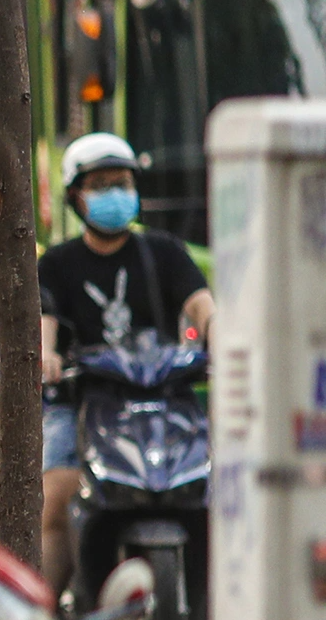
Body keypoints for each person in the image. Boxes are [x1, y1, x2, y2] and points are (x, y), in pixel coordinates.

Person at [38, 131, 213, 595]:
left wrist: (225, 337)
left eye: (122, 183)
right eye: (101, 185)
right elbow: (44, 321)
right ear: (76, 197)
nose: (115, 194)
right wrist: (48, 356)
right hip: (80, 401)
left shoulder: (164, 252)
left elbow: (203, 307)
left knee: (214, 482)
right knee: (56, 497)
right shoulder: (56, 263)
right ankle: (42, 614)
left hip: (161, 400)